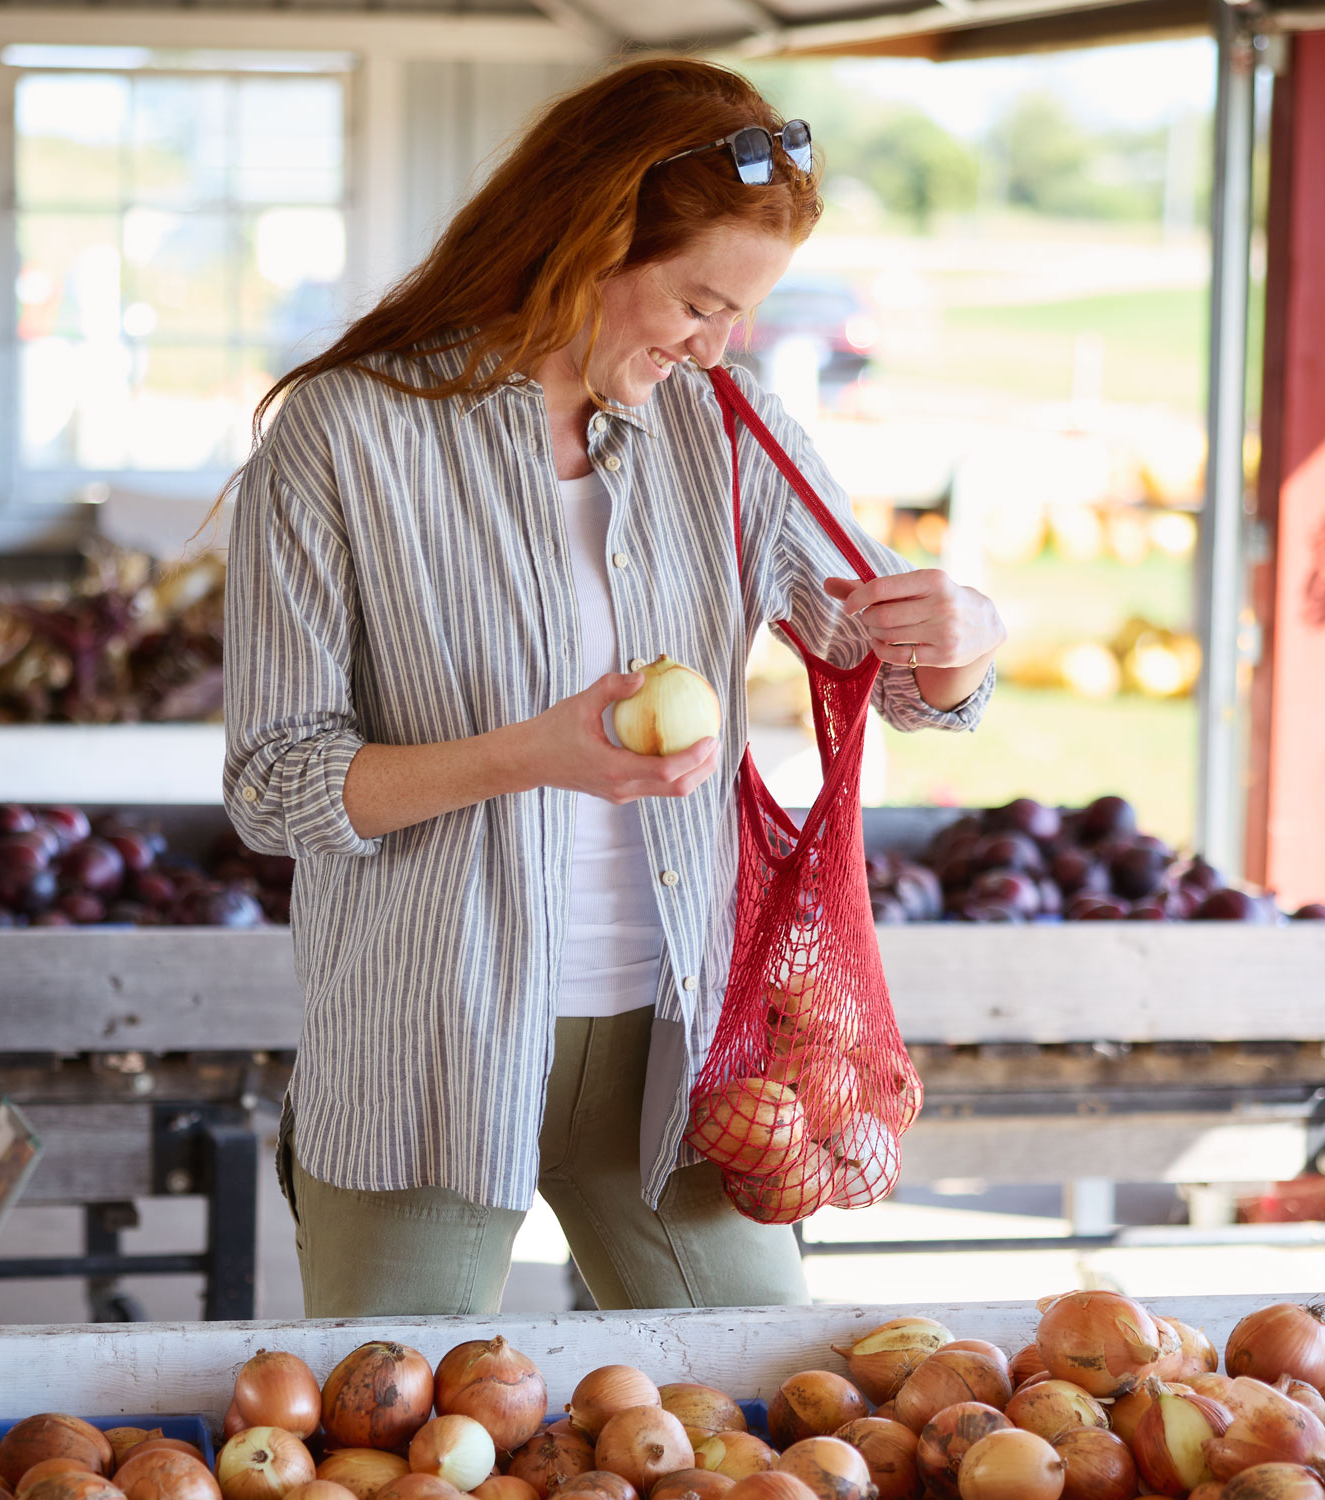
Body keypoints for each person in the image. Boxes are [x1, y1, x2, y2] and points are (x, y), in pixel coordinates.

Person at [220, 54, 1005, 1318]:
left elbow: (892, 667)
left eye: (741, 313)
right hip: (426, 1053)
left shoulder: (727, 426)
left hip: (679, 1061)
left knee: (766, 1409)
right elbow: (274, 788)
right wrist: (534, 751)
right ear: (584, 239)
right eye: (698, 301)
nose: (719, 344)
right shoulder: (344, 433)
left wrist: (962, 633)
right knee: (399, 1436)